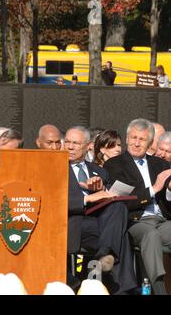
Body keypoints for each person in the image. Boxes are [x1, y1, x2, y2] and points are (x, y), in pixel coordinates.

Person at [65, 126, 137, 294]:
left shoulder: (99, 171)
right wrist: (85, 198)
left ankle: (104, 255)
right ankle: (123, 289)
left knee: (118, 206)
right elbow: (52, 200)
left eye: (75, 143)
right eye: (67, 142)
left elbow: (105, 201)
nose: (69, 147)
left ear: (88, 145)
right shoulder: (53, 169)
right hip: (74, 221)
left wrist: (100, 191)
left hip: (99, 220)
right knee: (121, 235)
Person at [103, 118, 171, 295]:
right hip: (135, 221)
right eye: (133, 137)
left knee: (157, 233)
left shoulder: (161, 164)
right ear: (126, 139)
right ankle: (159, 290)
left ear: (149, 143)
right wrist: (154, 188)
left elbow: (167, 201)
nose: (136, 143)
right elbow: (123, 200)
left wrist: (169, 190)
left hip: (162, 220)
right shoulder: (114, 165)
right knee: (151, 235)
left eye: (142, 139)